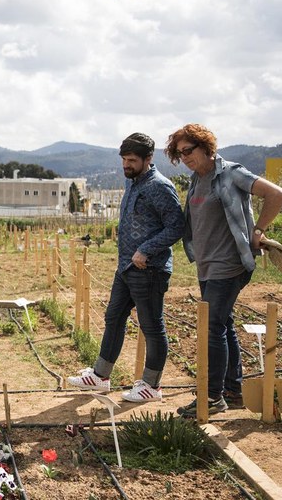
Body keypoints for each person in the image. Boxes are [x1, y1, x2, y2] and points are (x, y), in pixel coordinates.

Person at [164, 124, 282, 417]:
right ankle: (232, 391)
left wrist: (259, 229)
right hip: (208, 267)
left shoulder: (231, 173)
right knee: (223, 323)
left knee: (212, 326)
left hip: (230, 264)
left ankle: (213, 396)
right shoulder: (197, 180)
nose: (184, 158)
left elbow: (277, 194)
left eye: (188, 151)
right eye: (179, 154)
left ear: (206, 147)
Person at [68, 133, 185, 402]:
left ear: (148, 159)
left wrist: (146, 250)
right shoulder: (133, 182)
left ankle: (151, 386)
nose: (126, 165)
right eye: (123, 160)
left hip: (150, 269)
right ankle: (100, 376)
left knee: (152, 327)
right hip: (126, 268)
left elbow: (177, 226)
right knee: (114, 318)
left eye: (132, 160)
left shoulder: (159, 186)